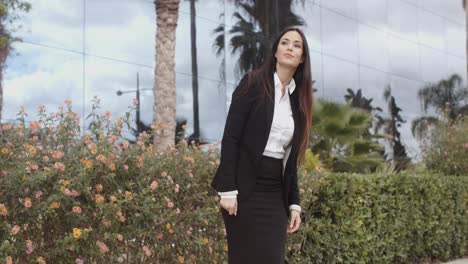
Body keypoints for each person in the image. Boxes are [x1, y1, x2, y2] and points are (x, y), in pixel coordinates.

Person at [210, 27, 313, 264]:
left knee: (272, 258)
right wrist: (227, 189)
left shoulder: (299, 101)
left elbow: (290, 159)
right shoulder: (254, 82)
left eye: (297, 45)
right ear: (276, 51)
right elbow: (231, 137)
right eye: (285, 42)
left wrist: (294, 203)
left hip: (275, 193)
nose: (290, 47)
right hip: (243, 191)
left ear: (302, 58)